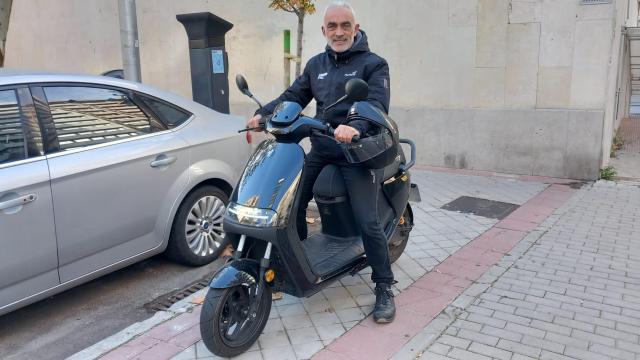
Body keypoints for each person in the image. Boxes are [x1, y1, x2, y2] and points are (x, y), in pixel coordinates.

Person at [247, 1, 395, 323]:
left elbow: (376, 103)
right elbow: (294, 96)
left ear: (355, 29)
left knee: (367, 221)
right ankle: (296, 264)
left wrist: (354, 126)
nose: (339, 32)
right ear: (324, 30)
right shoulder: (316, 64)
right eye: (332, 26)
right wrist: (264, 114)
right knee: (289, 204)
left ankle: (384, 286)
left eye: (345, 26)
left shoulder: (374, 64)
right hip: (322, 147)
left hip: (356, 152)